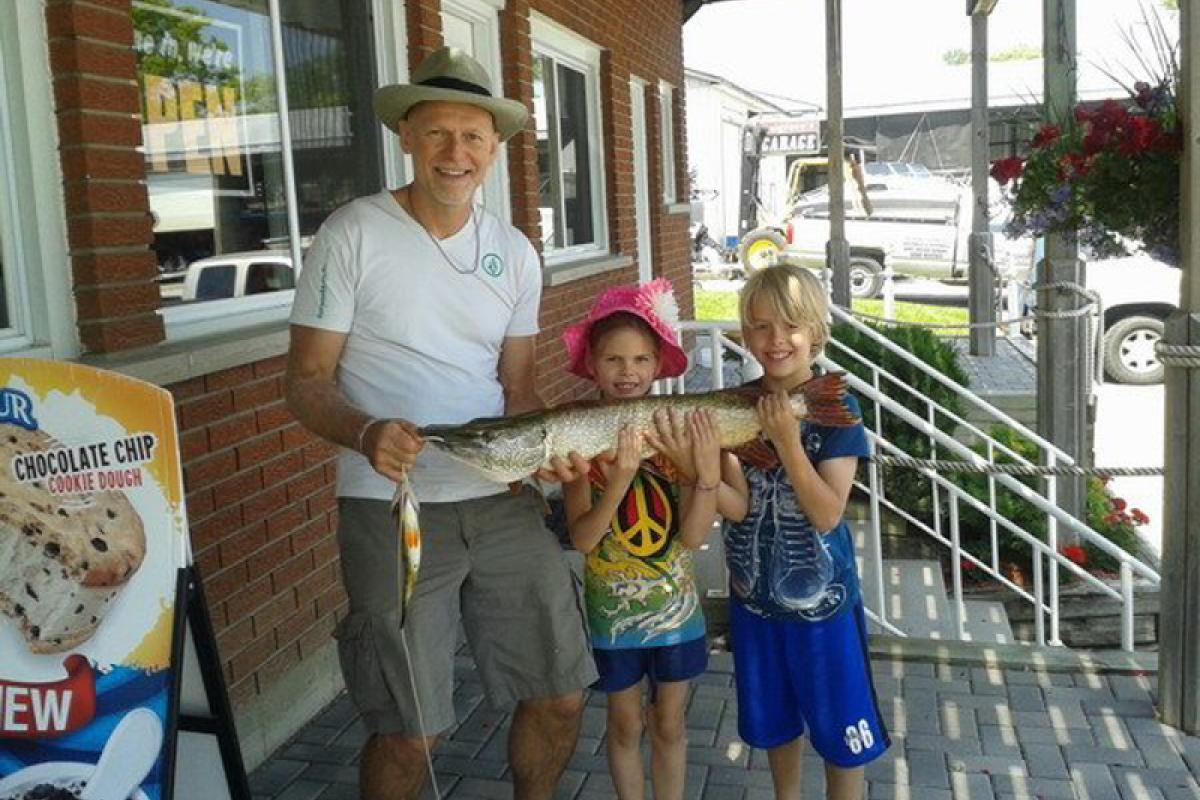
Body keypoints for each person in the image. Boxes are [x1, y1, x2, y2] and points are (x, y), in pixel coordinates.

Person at [284, 46, 596, 800]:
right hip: (390, 505)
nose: (455, 152)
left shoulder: (516, 254)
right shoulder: (352, 233)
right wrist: (364, 432)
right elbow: (305, 382)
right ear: (407, 138)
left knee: (559, 692)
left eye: (473, 137)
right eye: (437, 134)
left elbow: (517, 387)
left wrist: (545, 454)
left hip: (499, 498)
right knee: (409, 727)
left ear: (495, 148)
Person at [715, 264, 890, 800]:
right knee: (775, 726)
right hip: (755, 608)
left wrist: (789, 442)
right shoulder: (731, 407)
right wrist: (693, 465)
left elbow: (828, 513)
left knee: (842, 737)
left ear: (816, 331)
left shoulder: (838, 408)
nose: (775, 340)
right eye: (761, 327)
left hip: (823, 614)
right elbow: (738, 507)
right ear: (745, 335)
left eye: (790, 326)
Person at [558, 279, 721, 800]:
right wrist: (621, 478)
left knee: (669, 723)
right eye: (613, 360)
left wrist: (700, 472)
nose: (627, 372)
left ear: (657, 365)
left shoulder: (674, 431)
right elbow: (583, 539)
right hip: (613, 618)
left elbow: (693, 537)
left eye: (640, 360)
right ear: (592, 365)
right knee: (625, 724)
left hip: (676, 614)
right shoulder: (576, 440)